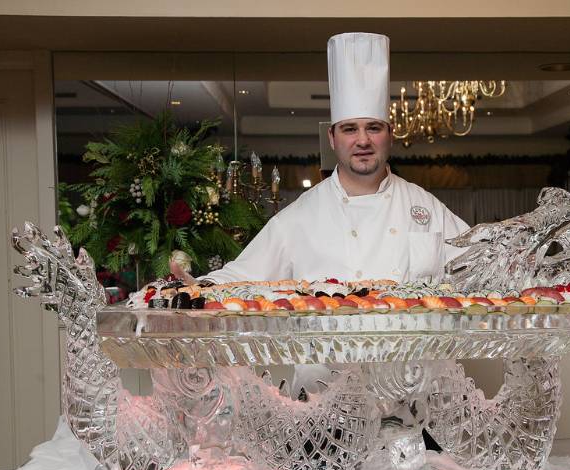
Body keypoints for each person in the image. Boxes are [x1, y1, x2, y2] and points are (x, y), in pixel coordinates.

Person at [199, 33, 468, 285]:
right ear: (332, 138)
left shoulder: (425, 207)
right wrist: (193, 288)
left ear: (390, 135)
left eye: (373, 128)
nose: (363, 140)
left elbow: (479, 263)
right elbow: (242, 275)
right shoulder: (301, 216)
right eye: (350, 129)